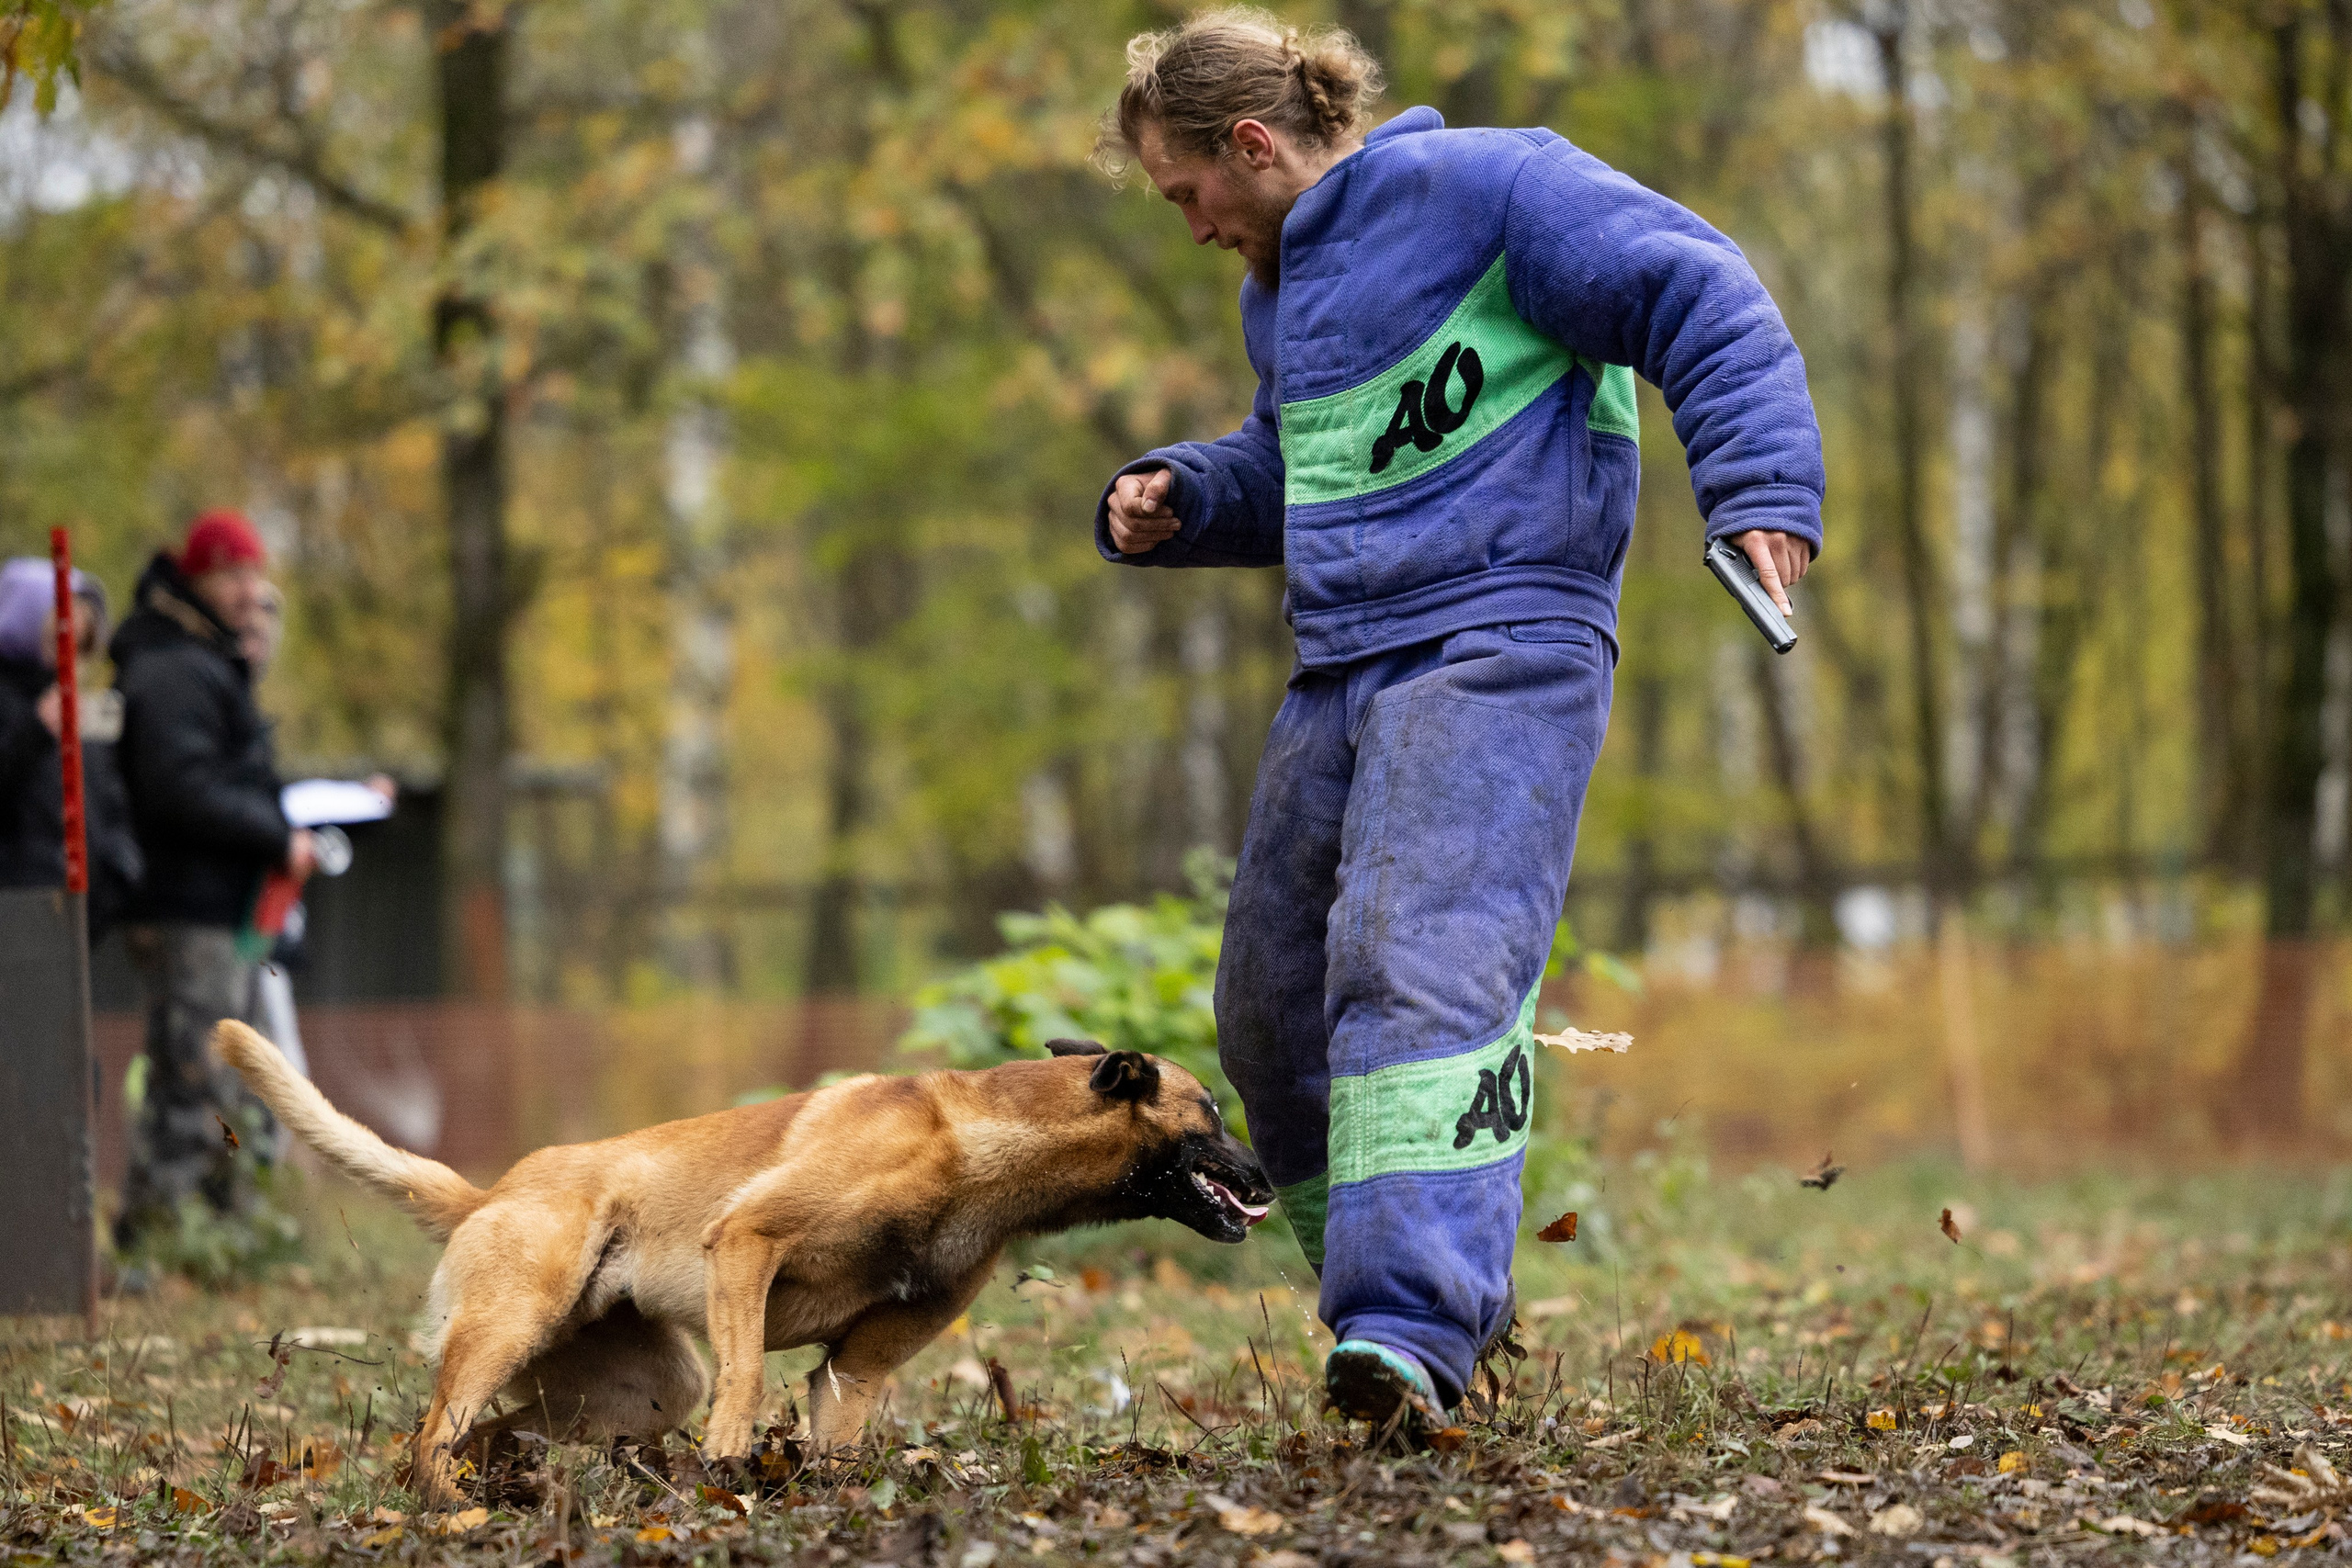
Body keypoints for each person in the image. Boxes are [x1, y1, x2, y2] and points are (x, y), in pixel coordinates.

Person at [1091, 10, 1824, 1427]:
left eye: (1189, 192)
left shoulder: (1498, 192)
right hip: (1347, 660)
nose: (1191, 227)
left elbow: (1702, 291)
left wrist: (1760, 492)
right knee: (1270, 1004)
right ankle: (1404, 1331)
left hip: (1503, 639)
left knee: (1411, 963)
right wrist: (1189, 491)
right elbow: (1307, 463)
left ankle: (1411, 1315)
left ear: (1252, 144)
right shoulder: (1280, 289)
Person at [108, 511, 317, 1249]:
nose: (246, 590)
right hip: (184, 904)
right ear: (196, 577)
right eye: (231, 575)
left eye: (255, 573)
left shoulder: (202, 657)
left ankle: (219, 1229)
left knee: (231, 1076)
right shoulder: (172, 666)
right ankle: (157, 1236)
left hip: (221, 905)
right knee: (189, 1077)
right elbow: (180, 787)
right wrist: (272, 832)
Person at [0, 558, 142, 934]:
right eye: (62, 643)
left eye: (81, 647)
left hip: (75, 913)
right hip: (17, 910)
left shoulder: (72, 707)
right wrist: (35, 733)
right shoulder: (20, 707)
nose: (70, 661)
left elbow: (107, 799)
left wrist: (118, 868)